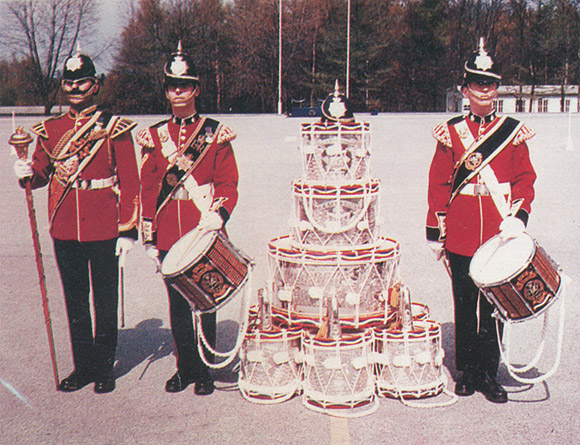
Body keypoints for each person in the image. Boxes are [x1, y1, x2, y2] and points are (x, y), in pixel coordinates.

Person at [13, 51, 140, 393]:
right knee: (75, 300)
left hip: (104, 224)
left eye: (82, 81)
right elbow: (42, 172)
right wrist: (26, 171)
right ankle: (82, 366)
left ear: (96, 84)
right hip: (65, 224)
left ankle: (104, 368)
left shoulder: (114, 127)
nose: (75, 88)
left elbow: (130, 180)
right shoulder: (52, 129)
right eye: (69, 82)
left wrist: (128, 229)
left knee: (105, 299)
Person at [426, 38, 537, 403]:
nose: (483, 91)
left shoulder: (512, 131)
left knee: (494, 306)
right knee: (464, 302)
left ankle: (489, 373)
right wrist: (435, 228)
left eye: (489, 84)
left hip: (497, 231)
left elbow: (525, 180)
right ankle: (467, 370)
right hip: (459, 232)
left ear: (496, 87)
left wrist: (518, 217)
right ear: (465, 89)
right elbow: (439, 182)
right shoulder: (451, 131)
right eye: (477, 83)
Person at [137, 42, 239, 395]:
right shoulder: (154, 136)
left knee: (206, 300)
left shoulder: (214, 132)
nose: (177, 92)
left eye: (184, 85)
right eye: (171, 86)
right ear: (166, 91)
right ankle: (186, 369)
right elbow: (149, 189)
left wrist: (219, 214)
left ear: (196, 88)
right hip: (167, 230)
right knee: (178, 306)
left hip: (202, 226)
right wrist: (149, 237)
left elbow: (228, 181)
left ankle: (206, 370)